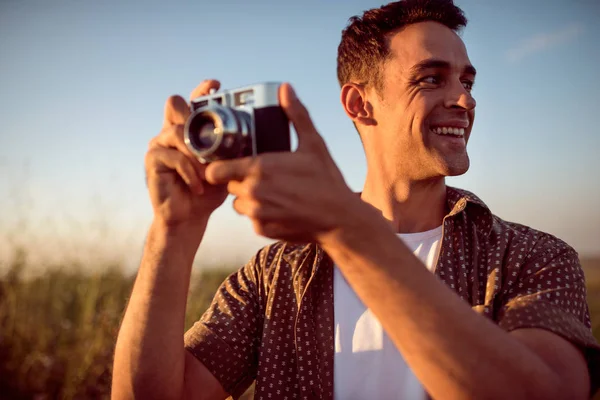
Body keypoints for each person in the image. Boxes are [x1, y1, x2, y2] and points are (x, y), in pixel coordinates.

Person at [112, 0, 600, 399]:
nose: (465, 100)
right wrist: (172, 233)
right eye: (433, 78)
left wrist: (349, 231)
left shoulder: (532, 258)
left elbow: (552, 391)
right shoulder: (274, 274)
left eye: (466, 81)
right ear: (359, 103)